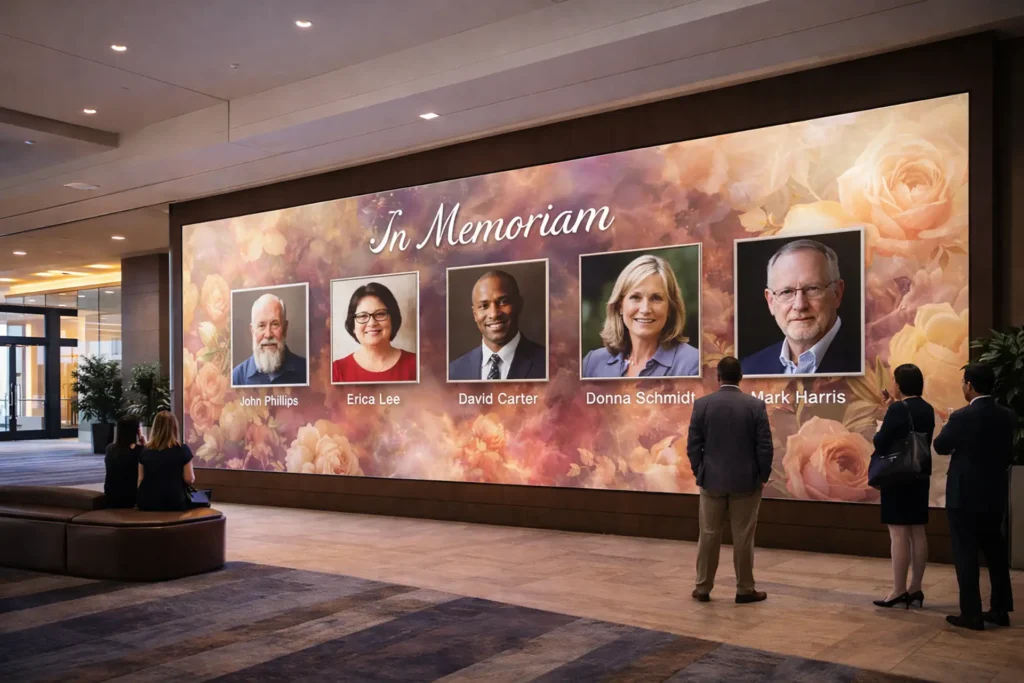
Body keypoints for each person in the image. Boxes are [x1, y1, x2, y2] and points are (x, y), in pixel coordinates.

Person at [934, 363, 1016, 630]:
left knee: (965, 553)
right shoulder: (1006, 415)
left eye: (963, 382)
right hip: (994, 492)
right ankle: (1000, 610)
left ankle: (971, 614)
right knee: (996, 553)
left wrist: (949, 429)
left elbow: (940, 445)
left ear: (969, 385)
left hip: (964, 494)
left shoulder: (962, 416)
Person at [686, 356, 774, 603]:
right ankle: (745, 589)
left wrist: (700, 472)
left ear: (718, 377)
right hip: (746, 482)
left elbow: (693, 446)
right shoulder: (755, 406)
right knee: (743, 537)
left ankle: (703, 588)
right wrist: (762, 475)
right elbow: (765, 446)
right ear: (741, 377)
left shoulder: (702, 405)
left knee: (708, 534)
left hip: (711, 481)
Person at [741, 238, 860, 375]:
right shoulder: (749, 369)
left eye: (812, 288)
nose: (800, 305)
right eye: (786, 292)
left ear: (837, 293)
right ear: (771, 302)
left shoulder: (869, 362)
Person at [871, 364, 934, 609]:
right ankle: (916, 588)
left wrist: (882, 422)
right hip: (919, 474)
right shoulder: (927, 408)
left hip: (897, 476)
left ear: (898, 384)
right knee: (918, 531)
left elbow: (880, 441)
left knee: (898, 533)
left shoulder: (898, 409)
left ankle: (898, 590)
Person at [581, 254, 699, 378]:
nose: (645, 309)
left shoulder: (693, 365)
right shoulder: (592, 364)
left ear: (670, 307)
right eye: (635, 297)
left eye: (656, 298)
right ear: (620, 306)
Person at [449, 270, 546, 381]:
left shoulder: (549, 364)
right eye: (484, 306)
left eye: (503, 302)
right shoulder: (454, 371)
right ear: (475, 314)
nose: (494, 314)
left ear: (519, 304)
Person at [332, 282, 417, 382]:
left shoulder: (417, 364)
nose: (372, 323)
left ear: (393, 319)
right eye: (363, 316)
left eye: (380, 314)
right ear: (353, 325)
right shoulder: (336, 370)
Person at [231, 292, 307, 386]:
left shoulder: (308, 371)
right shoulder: (236, 378)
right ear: (252, 331)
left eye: (275, 324)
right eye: (261, 325)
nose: (268, 334)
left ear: (285, 328)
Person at [137, 411, 195, 512]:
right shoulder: (182, 449)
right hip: (175, 501)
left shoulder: (145, 450)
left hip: (147, 502)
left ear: (155, 428)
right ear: (175, 428)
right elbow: (189, 479)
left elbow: (140, 479)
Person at [104, 418, 143, 508]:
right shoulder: (139, 451)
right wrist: (144, 442)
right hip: (130, 498)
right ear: (136, 431)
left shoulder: (110, 449)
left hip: (111, 496)